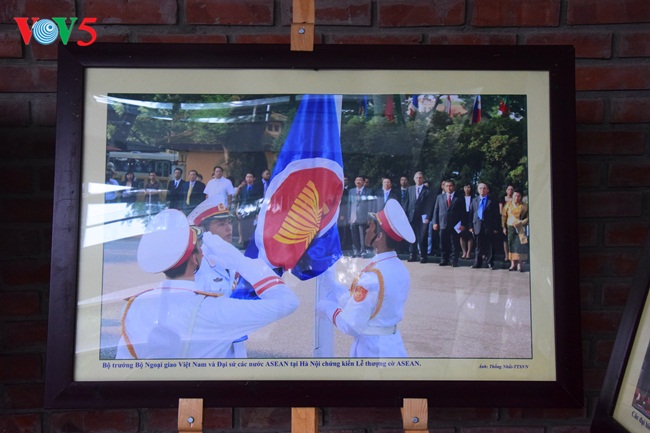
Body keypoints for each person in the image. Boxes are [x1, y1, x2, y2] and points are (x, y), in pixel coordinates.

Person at [116, 209, 299, 359]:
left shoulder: (135, 306)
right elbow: (287, 302)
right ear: (195, 259)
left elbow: (124, 363)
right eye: (199, 249)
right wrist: (240, 260)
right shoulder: (215, 308)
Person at [316, 199, 415, 357]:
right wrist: (334, 288)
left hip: (373, 351)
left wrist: (327, 307)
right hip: (393, 345)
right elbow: (369, 303)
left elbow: (350, 325)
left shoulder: (374, 276)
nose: (367, 230)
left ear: (379, 236)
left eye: (371, 226)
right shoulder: (399, 268)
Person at [188, 198, 260, 357]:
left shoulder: (233, 258)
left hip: (237, 349)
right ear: (203, 230)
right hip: (211, 352)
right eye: (221, 224)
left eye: (229, 222)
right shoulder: (197, 264)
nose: (228, 228)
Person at [432, 180, 465, 267]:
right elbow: (436, 210)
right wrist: (435, 222)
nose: (449, 188)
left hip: (455, 224)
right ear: (444, 187)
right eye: (447, 186)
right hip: (443, 223)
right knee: (443, 243)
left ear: (453, 187)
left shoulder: (459, 197)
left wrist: (463, 224)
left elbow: (463, 212)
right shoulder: (440, 197)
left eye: (450, 186)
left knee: (454, 243)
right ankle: (444, 259)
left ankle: (454, 260)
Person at [470, 183, 501, 270]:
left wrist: (496, 227)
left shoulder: (492, 201)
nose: (482, 190)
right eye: (480, 188)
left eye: (484, 188)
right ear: (478, 190)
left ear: (487, 190)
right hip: (477, 225)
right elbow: (471, 213)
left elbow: (496, 215)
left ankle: (490, 263)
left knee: (490, 245)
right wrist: (470, 226)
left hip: (489, 226)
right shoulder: (474, 200)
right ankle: (477, 263)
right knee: (478, 246)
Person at [406, 171, 434, 263]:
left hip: (423, 218)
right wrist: (404, 216)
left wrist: (428, 217)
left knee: (422, 237)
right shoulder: (410, 189)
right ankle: (412, 255)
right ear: (414, 179)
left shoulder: (428, 191)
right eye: (417, 178)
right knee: (411, 237)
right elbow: (406, 203)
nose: (418, 179)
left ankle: (423, 256)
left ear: (423, 179)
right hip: (411, 217)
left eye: (420, 178)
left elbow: (429, 205)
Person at [348, 175, 376, 258]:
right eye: (357, 180)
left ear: (364, 182)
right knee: (354, 234)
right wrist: (348, 216)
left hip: (364, 216)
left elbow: (371, 205)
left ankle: (363, 251)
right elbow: (349, 204)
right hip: (353, 216)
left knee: (363, 234)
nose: (358, 181)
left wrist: (370, 217)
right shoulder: (351, 191)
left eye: (360, 180)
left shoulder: (369, 191)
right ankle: (356, 251)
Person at [502, 189, 529, 272]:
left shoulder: (525, 205)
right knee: (511, 245)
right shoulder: (508, 204)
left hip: (520, 227)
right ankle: (512, 263)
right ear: (512, 196)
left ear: (521, 197)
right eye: (515, 196)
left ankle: (519, 264)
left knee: (520, 245)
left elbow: (528, 216)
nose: (517, 198)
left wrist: (522, 222)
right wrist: (503, 227)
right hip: (511, 226)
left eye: (518, 196)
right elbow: (504, 216)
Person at [235, 172, 263, 247]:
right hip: (244, 211)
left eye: (250, 177)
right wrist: (239, 211)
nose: (249, 178)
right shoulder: (243, 189)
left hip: (253, 211)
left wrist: (258, 212)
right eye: (247, 177)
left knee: (253, 228)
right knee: (244, 228)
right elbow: (241, 200)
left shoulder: (258, 188)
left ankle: (253, 244)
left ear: (253, 178)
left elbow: (259, 200)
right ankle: (245, 244)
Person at [460, 184, 474, 259]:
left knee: (470, 235)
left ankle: (469, 252)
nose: (467, 189)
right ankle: (464, 252)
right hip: (462, 217)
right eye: (465, 187)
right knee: (462, 235)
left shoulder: (474, 198)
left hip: (471, 217)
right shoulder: (460, 198)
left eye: (468, 187)